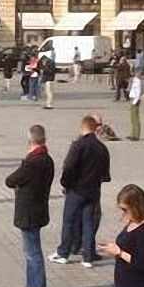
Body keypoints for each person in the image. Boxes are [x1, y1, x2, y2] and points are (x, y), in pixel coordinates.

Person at [51, 115, 111, 268]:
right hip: (93, 190)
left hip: (77, 190)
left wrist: (65, 183)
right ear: (95, 128)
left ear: (83, 127)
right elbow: (105, 172)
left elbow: (69, 166)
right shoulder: (101, 147)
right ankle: (88, 257)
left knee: (69, 221)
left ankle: (64, 252)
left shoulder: (78, 145)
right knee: (89, 222)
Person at [4, 125, 54, 287]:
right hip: (39, 209)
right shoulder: (47, 159)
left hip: (29, 212)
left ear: (31, 141)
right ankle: (31, 285)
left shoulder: (32, 162)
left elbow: (11, 180)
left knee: (32, 252)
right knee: (31, 251)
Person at [127, 68, 143, 141]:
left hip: (135, 100)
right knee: (132, 118)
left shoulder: (138, 81)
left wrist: (135, 101)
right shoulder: (134, 80)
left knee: (135, 118)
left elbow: (138, 92)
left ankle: (136, 135)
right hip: (133, 99)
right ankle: (132, 134)